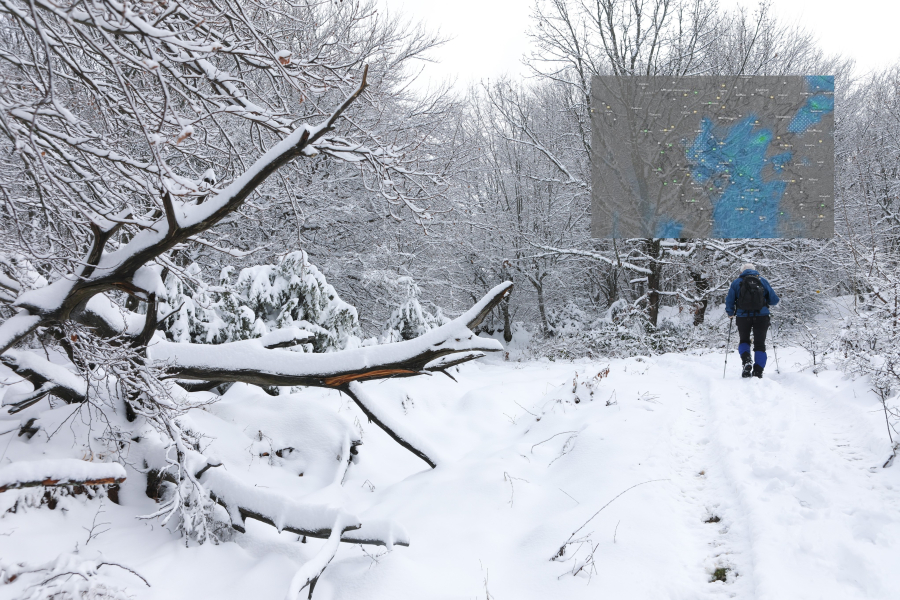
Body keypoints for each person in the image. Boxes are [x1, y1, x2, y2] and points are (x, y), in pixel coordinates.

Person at [725, 262, 779, 378]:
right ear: (755, 271)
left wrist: (730, 313)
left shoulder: (736, 282)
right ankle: (758, 371)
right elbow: (774, 300)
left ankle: (746, 361)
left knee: (744, 340)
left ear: (741, 272)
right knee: (760, 344)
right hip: (762, 317)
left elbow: (729, 300)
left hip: (743, 317)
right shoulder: (762, 281)